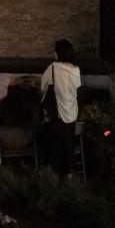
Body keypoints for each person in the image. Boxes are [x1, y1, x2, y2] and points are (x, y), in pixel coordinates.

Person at [40, 38, 82, 176]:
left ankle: (56, 178)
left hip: (56, 115)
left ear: (59, 53)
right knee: (69, 146)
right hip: (71, 114)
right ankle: (70, 175)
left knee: (56, 148)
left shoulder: (53, 68)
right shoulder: (75, 70)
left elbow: (43, 86)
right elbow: (76, 88)